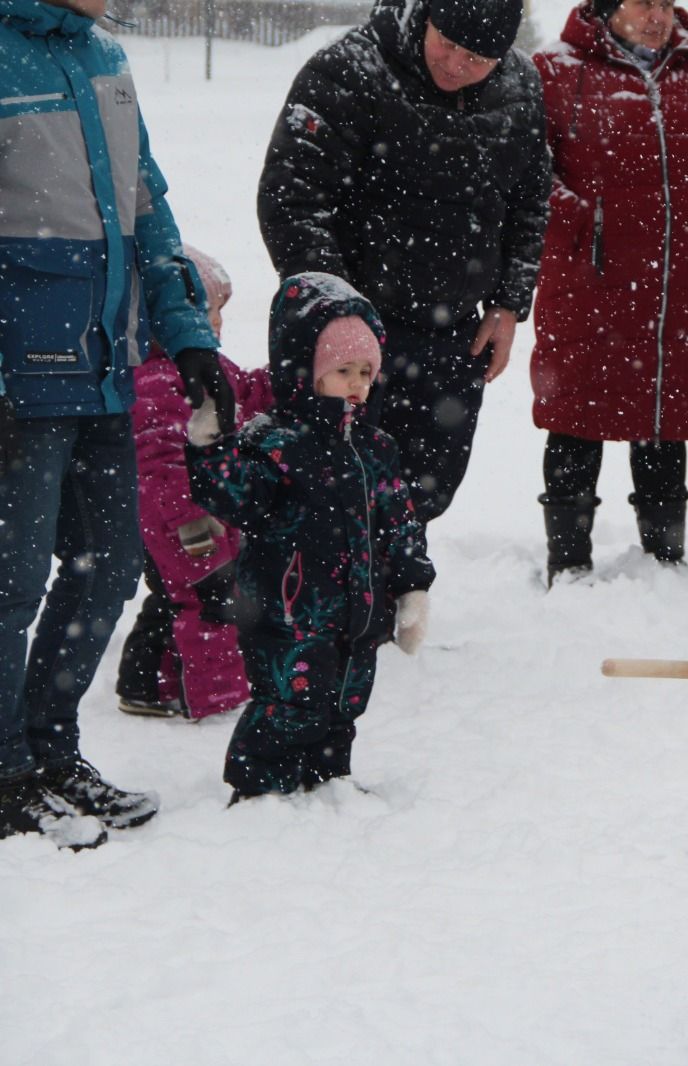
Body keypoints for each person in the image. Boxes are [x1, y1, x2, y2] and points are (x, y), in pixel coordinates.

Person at [0, 0, 234, 849]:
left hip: (107, 365)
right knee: (9, 583)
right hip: (20, 379)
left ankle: (50, 752)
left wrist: (189, 336)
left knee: (108, 566)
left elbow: (146, 207)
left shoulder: (103, 56)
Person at [257, 0, 550, 525]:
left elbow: (529, 202)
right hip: (354, 337)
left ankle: (388, 599)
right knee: (329, 498)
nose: (457, 64)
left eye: (478, 57)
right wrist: (339, 314)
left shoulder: (521, 87)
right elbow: (291, 199)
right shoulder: (349, 70)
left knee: (418, 499)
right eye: (448, 42)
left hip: (454, 336)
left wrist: (508, 303)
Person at [530, 0, 688, 581]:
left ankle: (664, 561)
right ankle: (568, 563)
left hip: (678, 287)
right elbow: (529, 164)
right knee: (576, 415)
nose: (657, 15)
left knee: (664, 414)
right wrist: (579, 225)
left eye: (664, 2)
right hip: (589, 284)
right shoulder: (556, 70)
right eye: (641, 3)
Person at [187, 274, 435, 801]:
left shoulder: (376, 447)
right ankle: (260, 789)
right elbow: (237, 500)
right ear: (306, 371)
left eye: (365, 372)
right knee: (288, 703)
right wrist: (211, 448)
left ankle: (328, 784)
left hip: (359, 613)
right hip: (288, 615)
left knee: (344, 702)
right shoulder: (272, 442)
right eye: (342, 371)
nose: (356, 384)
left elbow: (400, 522)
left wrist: (413, 587)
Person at [116, 247, 275, 720]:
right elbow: (159, 466)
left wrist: (290, 376)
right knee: (205, 599)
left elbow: (246, 392)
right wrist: (189, 519)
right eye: (209, 313)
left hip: (207, 509)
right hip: (181, 521)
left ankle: (149, 682)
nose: (218, 325)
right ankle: (212, 697)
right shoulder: (156, 382)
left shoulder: (204, 368)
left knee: (177, 596)